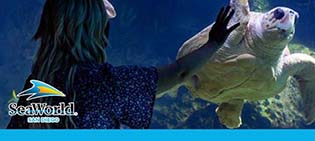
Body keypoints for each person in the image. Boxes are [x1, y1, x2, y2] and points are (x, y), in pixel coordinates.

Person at [7, 0, 239, 129]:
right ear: (96, 31)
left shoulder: (35, 89)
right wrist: (215, 42)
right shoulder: (107, 85)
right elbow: (180, 73)